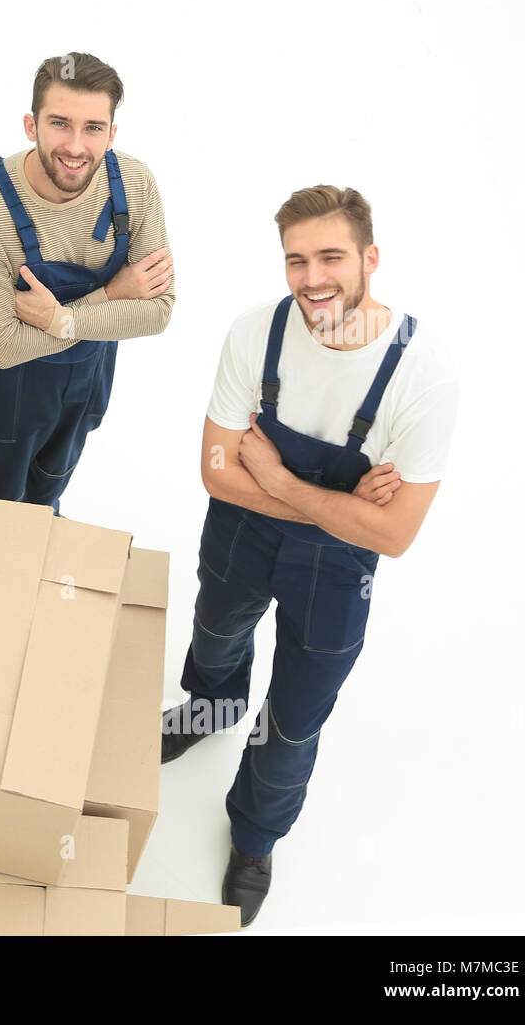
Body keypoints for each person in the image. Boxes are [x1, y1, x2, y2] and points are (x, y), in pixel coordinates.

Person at [162, 186, 459, 926]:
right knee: (218, 632)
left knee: (294, 720)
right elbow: (214, 471)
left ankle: (256, 836)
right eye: (297, 259)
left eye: (331, 256)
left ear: (370, 259)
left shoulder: (423, 378)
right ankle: (211, 707)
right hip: (243, 531)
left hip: (336, 572)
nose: (312, 277)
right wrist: (345, 505)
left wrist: (277, 477)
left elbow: (394, 536)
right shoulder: (255, 332)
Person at [0, 51, 174, 512]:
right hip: (5, 392)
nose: (75, 146)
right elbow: (5, 346)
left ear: (112, 133)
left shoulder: (134, 184)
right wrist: (112, 296)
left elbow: (157, 311)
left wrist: (62, 318)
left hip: (84, 386)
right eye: (59, 124)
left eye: (93, 128)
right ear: (31, 126)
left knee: (46, 502)